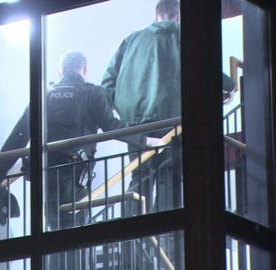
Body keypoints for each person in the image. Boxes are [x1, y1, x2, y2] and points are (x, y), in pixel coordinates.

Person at [0, 50, 162, 269]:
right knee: (75, 233)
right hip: (72, 176)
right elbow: (112, 127)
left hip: (44, 175)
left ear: (60, 71)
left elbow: (18, 137)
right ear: (84, 69)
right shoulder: (92, 94)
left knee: (54, 232)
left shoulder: (43, 96)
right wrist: (145, 141)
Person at [101, 0, 234, 269]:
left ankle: (130, 242)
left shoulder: (132, 40)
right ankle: (169, 253)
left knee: (138, 181)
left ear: (155, 14)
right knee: (169, 188)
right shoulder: (187, 37)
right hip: (176, 125)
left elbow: (107, 84)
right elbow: (213, 75)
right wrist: (227, 89)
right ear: (179, 15)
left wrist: (128, 115)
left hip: (140, 128)